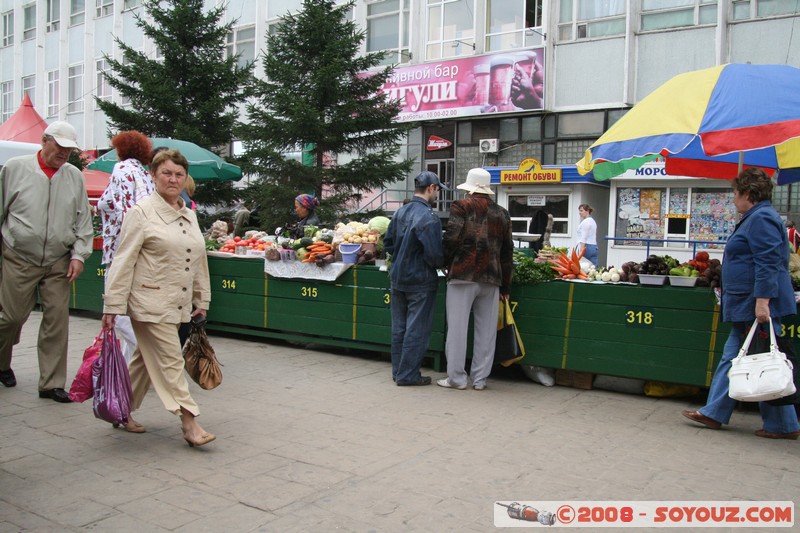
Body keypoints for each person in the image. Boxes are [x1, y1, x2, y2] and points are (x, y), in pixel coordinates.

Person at [101, 149, 215, 446]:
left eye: (179, 174)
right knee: (169, 361)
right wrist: (112, 305)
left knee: (143, 360)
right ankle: (190, 422)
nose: (173, 179)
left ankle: (121, 410)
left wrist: (202, 298)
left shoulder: (188, 214)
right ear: (153, 175)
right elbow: (122, 260)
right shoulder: (141, 213)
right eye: (166, 173)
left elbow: (198, 258)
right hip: (148, 302)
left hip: (178, 303)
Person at [682, 168, 800, 440]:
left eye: (735, 193)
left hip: (755, 303)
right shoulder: (757, 217)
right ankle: (719, 413)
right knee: (743, 357)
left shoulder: (761, 219)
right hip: (748, 302)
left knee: (766, 358)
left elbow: (768, 262)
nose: (733, 198)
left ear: (748, 193)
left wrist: (762, 302)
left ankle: (780, 424)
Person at [0, 121, 93, 401]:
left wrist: (78, 255)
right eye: (60, 147)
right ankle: (2, 363)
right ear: (44, 141)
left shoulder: (74, 176)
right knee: (10, 318)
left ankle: (51, 383)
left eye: (69, 149)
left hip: (58, 260)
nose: (64, 153)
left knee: (57, 321)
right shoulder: (14, 168)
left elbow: (83, 221)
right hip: (18, 256)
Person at [438, 168, 513, 391]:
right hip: (492, 277)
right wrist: (506, 286)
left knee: (458, 329)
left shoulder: (461, 206)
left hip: (463, 274)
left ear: (470, 188)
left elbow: (451, 238)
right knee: (486, 332)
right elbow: (507, 253)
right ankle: (480, 379)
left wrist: (444, 262)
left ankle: (456, 379)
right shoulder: (502, 213)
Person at [97, 130, 155, 363]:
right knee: (132, 310)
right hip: (141, 248)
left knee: (117, 309)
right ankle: (132, 370)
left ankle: (151, 351)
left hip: (121, 248)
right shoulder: (144, 174)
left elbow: (123, 209)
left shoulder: (121, 170)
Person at [384, 171, 446, 386]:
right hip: (420, 279)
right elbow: (435, 254)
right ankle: (408, 375)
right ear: (431, 188)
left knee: (399, 328)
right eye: (437, 189)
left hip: (398, 277)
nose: (437, 194)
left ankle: (398, 371)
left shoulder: (400, 212)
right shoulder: (429, 217)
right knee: (416, 329)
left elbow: (389, 244)